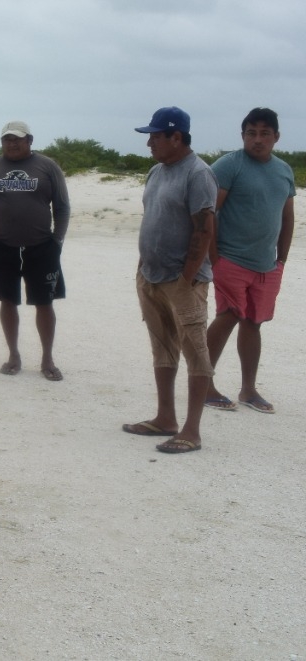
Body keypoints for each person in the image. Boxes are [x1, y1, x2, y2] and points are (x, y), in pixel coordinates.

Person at [121, 106, 217, 454]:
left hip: (182, 281)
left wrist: (186, 278)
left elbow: (204, 229)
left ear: (176, 137)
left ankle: (191, 430)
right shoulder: (156, 172)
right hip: (150, 275)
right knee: (162, 348)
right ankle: (165, 417)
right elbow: (154, 218)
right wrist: (144, 266)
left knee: (196, 352)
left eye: (155, 136)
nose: (150, 144)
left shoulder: (198, 173)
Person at [203, 107, 295, 414]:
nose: (258, 140)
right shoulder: (229, 165)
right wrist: (214, 258)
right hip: (230, 258)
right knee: (228, 315)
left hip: (268, 264)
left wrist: (281, 259)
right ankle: (203, 382)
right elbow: (208, 212)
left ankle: (248, 389)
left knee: (254, 323)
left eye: (264, 133)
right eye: (251, 133)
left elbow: (287, 216)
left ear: (276, 137)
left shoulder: (284, 170)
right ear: (242, 136)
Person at [0, 120, 70, 381]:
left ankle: (47, 358)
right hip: (0, 246)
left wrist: (57, 241)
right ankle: (13, 355)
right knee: (7, 301)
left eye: (17, 139)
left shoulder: (48, 167)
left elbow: (61, 207)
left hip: (41, 246)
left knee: (44, 302)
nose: (12, 143)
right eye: (7, 139)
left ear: (29, 140)